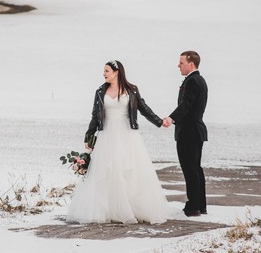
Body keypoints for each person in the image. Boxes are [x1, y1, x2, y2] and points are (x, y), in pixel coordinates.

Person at [66, 60, 170, 224]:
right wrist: (89, 136)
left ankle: (131, 208)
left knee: (128, 170)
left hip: (128, 135)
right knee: (107, 171)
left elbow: (143, 108)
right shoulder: (100, 91)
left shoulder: (131, 90)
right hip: (107, 134)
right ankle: (109, 209)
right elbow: (95, 115)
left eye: (107, 71)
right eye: (104, 71)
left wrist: (159, 121)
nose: (104, 74)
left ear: (117, 72)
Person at [162, 51, 208, 217]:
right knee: (195, 169)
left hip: (189, 132)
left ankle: (193, 206)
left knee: (190, 169)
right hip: (195, 131)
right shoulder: (198, 80)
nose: (178, 65)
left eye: (181, 62)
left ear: (191, 64)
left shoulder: (193, 81)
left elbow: (186, 105)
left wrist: (171, 118)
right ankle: (200, 205)